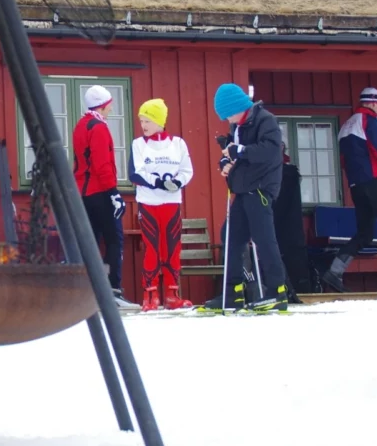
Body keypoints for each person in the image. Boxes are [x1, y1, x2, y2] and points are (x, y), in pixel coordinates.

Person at [201, 84, 289, 313]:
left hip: (260, 188)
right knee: (229, 236)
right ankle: (233, 293)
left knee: (264, 238)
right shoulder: (238, 125)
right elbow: (235, 150)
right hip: (243, 188)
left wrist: (239, 152)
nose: (227, 118)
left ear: (238, 106)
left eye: (228, 113)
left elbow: (270, 151)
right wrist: (226, 162)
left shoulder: (264, 120)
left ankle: (277, 291)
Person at [323, 87, 377, 293]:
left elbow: (345, 159)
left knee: (365, 233)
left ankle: (334, 271)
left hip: (356, 184)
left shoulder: (346, 125)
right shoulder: (370, 120)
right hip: (374, 180)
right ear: (371, 102)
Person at [128, 98, 194, 311]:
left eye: (147, 120)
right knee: (152, 248)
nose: (143, 125)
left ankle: (173, 294)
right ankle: (150, 294)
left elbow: (187, 170)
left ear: (159, 121)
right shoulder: (138, 144)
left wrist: (177, 182)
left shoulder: (178, 144)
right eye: (141, 121)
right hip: (148, 202)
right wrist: (157, 182)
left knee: (172, 248)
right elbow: (135, 173)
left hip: (171, 203)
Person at [72, 85, 129, 305]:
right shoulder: (99, 128)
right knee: (114, 240)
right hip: (100, 192)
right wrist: (113, 192)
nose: (111, 108)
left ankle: (89, 289)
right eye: (109, 105)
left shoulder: (80, 125)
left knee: (91, 241)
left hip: (83, 193)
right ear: (103, 106)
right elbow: (102, 164)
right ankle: (112, 289)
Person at [273, 140, 309, 301]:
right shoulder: (290, 172)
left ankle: (291, 288)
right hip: (288, 222)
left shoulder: (286, 173)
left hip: (281, 220)